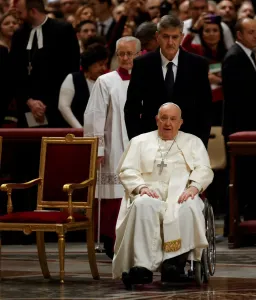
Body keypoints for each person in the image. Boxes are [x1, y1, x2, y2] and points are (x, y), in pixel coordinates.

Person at [112, 102, 213, 288]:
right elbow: (127, 170)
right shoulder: (140, 141)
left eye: (173, 119)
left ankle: (174, 264)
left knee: (189, 206)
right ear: (157, 120)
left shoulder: (193, 142)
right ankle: (142, 267)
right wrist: (140, 187)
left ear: (180, 122)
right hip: (150, 192)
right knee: (143, 205)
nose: (168, 123)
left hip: (181, 192)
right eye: (164, 118)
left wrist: (194, 187)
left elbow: (204, 169)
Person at [84, 36, 141, 258]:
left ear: (139, 54)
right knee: (114, 197)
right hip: (114, 146)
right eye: (121, 54)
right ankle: (111, 240)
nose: (125, 58)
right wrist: (97, 149)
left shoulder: (146, 78)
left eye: (129, 54)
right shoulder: (105, 81)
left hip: (140, 145)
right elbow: (94, 116)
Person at [125, 15, 212, 147]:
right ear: (157, 36)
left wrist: (200, 144)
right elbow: (132, 108)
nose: (170, 42)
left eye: (175, 37)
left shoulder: (198, 65)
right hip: (150, 141)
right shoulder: (142, 64)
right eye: (165, 36)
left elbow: (205, 109)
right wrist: (137, 142)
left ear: (182, 37)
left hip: (188, 141)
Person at [221, 17, 256, 228]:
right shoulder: (234, 57)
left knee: (252, 176)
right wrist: (254, 127)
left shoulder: (247, 55)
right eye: (251, 31)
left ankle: (251, 219)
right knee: (243, 177)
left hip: (253, 128)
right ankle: (240, 222)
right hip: (242, 130)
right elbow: (238, 99)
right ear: (239, 35)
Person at [9, 0, 80, 128]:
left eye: (20, 12)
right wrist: (30, 101)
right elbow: (15, 72)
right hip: (28, 107)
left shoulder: (63, 30)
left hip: (57, 107)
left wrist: (46, 105)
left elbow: (72, 70)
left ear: (33, 11)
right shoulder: (19, 35)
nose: (17, 16)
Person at [59, 43, 108, 128]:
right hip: (73, 135)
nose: (104, 68)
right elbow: (63, 107)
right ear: (90, 64)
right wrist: (79, 130)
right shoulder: (73, 78)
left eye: (105, 64)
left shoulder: (105, 81)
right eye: (101, 64)